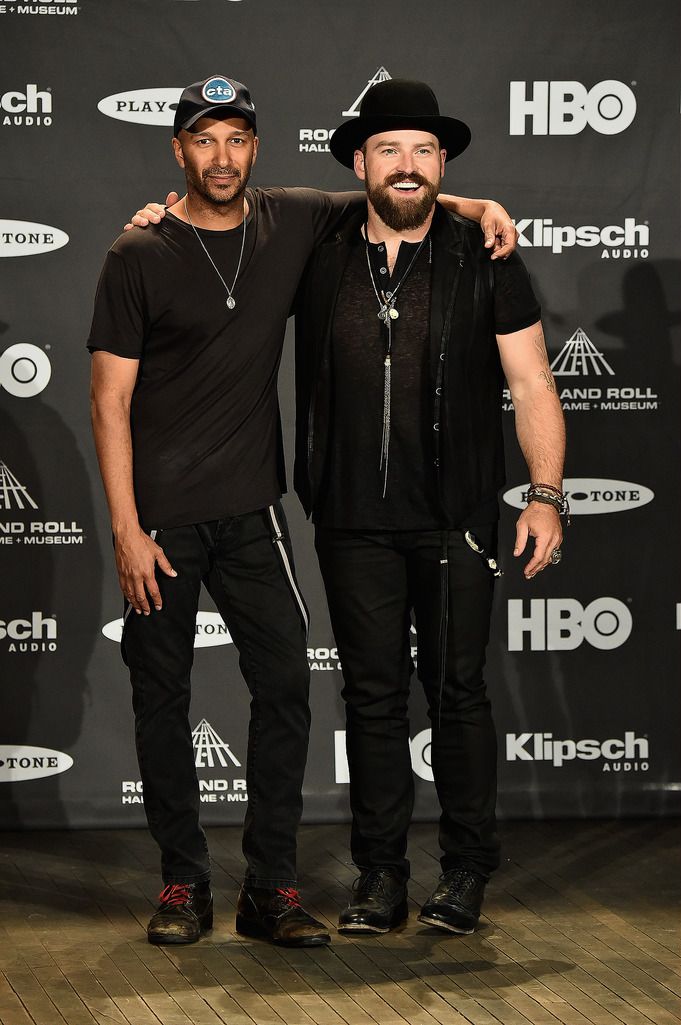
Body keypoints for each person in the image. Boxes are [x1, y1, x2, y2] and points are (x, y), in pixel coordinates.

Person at [90, 73, 519, 948]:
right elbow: (108, 401)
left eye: (236, 139)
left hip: (253, 511)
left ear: (256, 147)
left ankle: (270, 887)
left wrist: (480, 206)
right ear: (178, 148)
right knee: (161, 696)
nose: (222, 156)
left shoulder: (289, 218)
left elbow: (400, 188)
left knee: (287, 691)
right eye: (203, 140)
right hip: (161, 523)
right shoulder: (135, 253)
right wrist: (127, 527)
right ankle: (181, 882)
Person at [292, 78, 566, 936]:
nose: (406, 167)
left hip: (456, 516)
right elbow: (219, 209)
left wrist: (546, 495)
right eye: (387, 149)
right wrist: (158, 213)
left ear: (442, 162)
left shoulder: (485, 254)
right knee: (372, 700)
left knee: (457, 695)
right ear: (358, 163)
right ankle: (379, 874)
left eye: (422, 151)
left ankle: (464, 871)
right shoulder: (315, 243)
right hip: (349, 516)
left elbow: (530, 383)